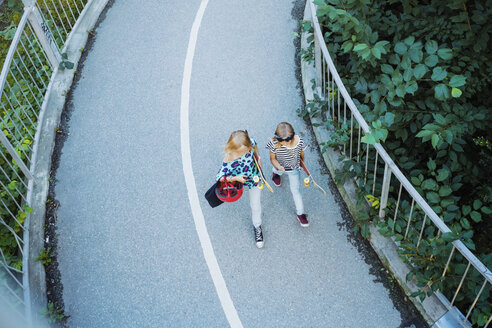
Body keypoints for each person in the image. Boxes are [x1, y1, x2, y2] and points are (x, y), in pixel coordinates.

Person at [216, 130, 264, 248]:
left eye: (245, 150)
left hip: (253, 177)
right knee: (255, 204)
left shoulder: (250, 143)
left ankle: (257, 226)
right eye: (239, 152)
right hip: (238, 179)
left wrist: (258, 157)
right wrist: (235, 178)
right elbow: (220, 177)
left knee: (255, 205)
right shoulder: (229, 156)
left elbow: (255, 145)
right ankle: (257, 226)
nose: (243, 153)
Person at [266, 122, 309, 227]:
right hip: (280, 166)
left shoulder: (299, 142)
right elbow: (272, 158)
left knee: (296, 190)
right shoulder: (274, 143)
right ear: (278, 138)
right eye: (284, 141)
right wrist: (277, 166)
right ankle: (276, 173)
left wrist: (302, 165)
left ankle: (300, 213)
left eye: (289, 140)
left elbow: (302, 156)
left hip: (294, 169)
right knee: (277, 170)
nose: (287, 143)